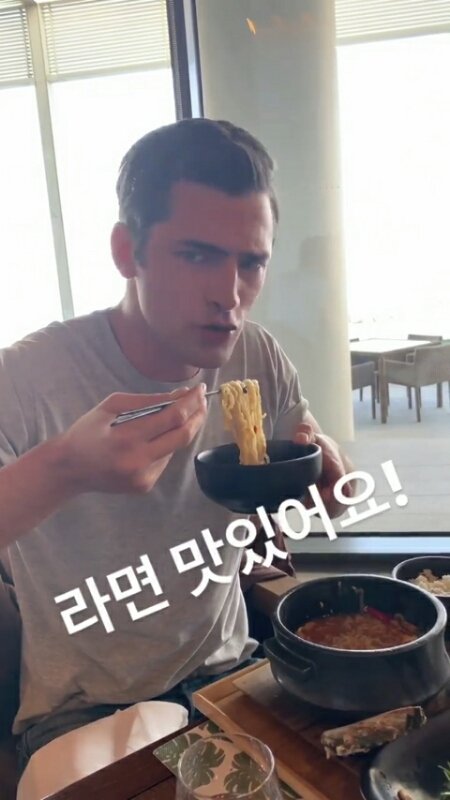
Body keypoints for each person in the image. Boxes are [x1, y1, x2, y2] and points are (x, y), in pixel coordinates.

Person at [0, 118, 353, 771]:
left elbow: (321, 481)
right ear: (126, 251)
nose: (229, 295)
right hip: (84, 708)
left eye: (251, 262)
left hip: (231, 672)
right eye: (196, 255)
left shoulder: (255, 355)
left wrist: (327, 477)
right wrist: (65, 468)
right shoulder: (26, 379)